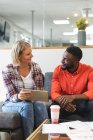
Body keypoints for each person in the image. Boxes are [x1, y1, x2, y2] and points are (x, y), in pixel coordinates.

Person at [2, 40, 48, 139]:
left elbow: (39, 91)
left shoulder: (35, 67)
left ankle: (45, 137)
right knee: (27, 105)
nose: (32, 56)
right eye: (28, 54)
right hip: (12, 103)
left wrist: (35, 97)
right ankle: (30, 137)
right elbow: (11, 96)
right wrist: (19, 96)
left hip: (32, 101)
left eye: (31, 52)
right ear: (18, 56)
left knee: (39, 104)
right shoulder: (7, 70)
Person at [50, 45, 93, 121]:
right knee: (54, 107)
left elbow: (92, 92)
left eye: (65, 59)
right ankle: (61, 129)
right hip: (63, 102)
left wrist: (73, 97)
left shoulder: (89, 70)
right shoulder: (58, 70)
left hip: (81, 102)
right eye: (63, 57)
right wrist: (64, 103)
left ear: (76, 61)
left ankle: (89, 129)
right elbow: (54, 93)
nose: (62, 61)